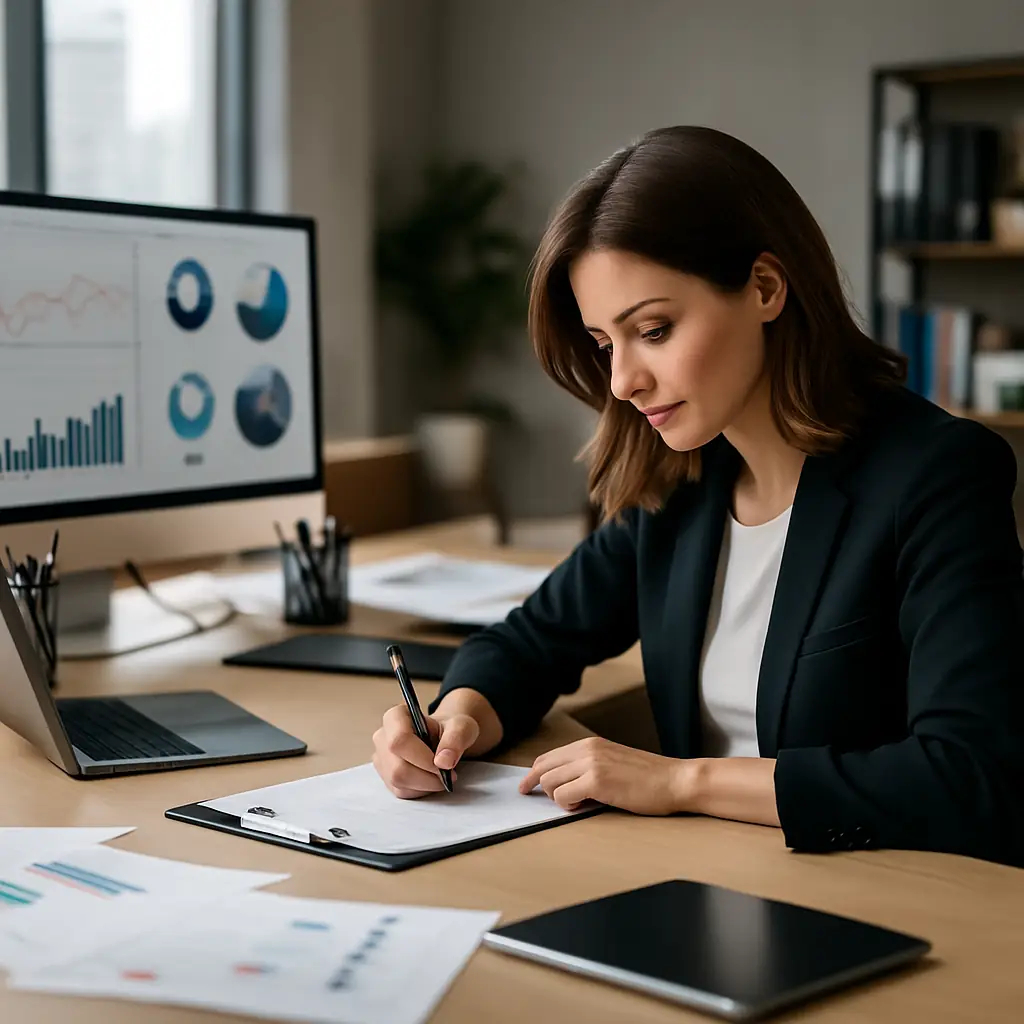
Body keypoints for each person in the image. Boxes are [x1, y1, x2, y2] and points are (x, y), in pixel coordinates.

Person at [371, 125, 1024, 866]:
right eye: (605, 344)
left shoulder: (936, 475)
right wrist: (454, 722)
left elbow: (972, 775)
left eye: (653, 328)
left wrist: (683, 782)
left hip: (880, 901)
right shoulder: (681, 483)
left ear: (766, 288)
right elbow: (530, 643)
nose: (622, 382)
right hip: (706, 884)